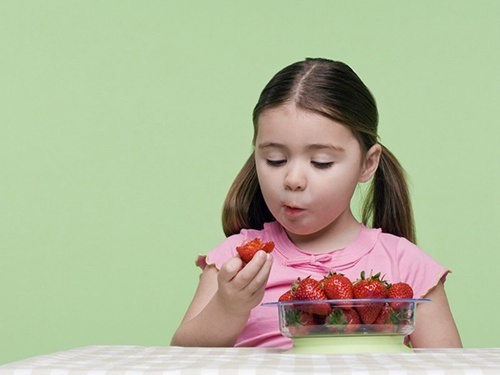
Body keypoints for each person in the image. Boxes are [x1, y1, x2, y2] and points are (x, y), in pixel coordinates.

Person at [170, 58, 462, 349]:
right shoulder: (235, 260)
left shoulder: (405, 264)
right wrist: (228, 306)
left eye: (321, 162)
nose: (293, 179)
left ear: (367, 164)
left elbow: (449, 366)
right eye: (275, 160)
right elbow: (183, 356)